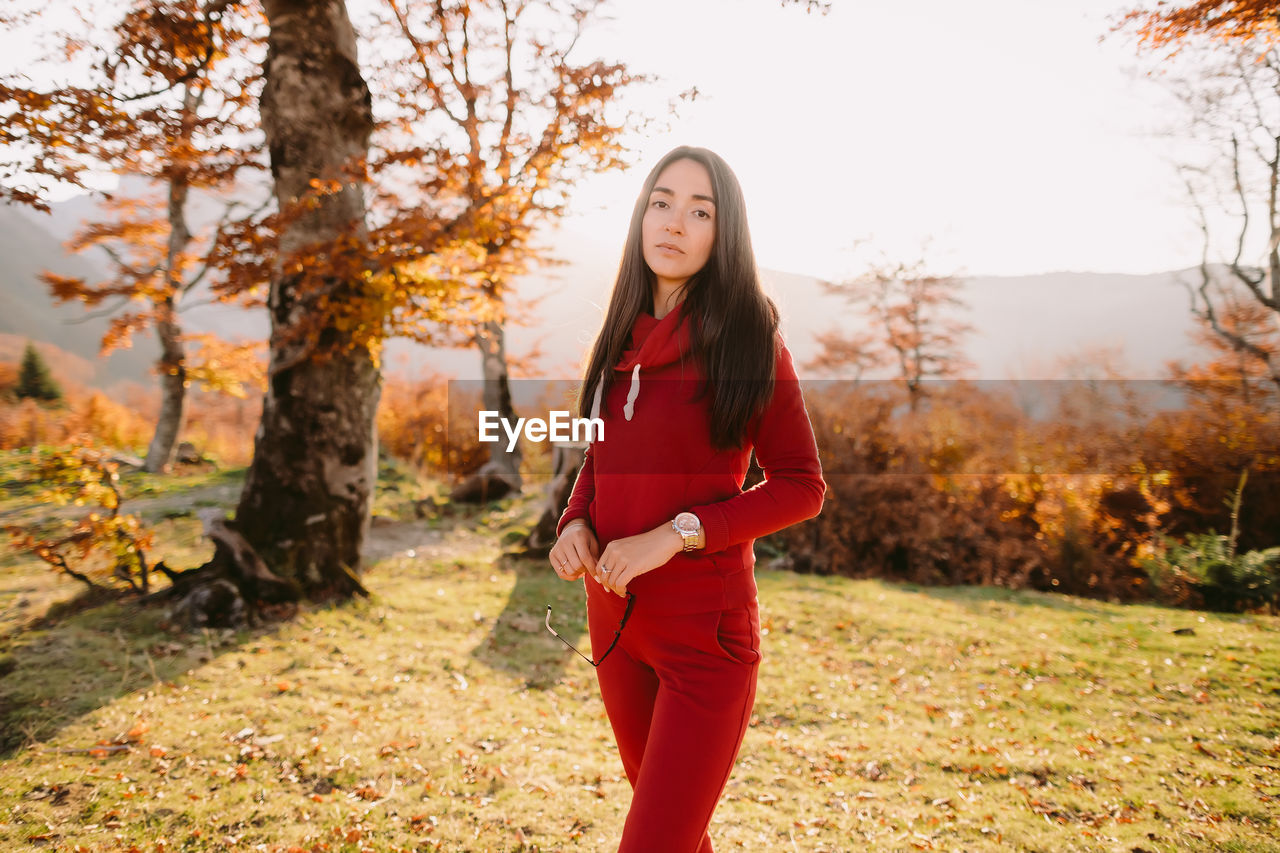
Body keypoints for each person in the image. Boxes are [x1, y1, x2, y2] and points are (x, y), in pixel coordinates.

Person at [547, 145, 826, 853]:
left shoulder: (749, 342)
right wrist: (575, 519)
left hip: (705, 640)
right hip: (615, 626)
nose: (675, 222)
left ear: (722, 232)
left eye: (699, 210)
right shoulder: (619, 335)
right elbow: (603, 454)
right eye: (662, 201)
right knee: (676, 837)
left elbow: (801, 485)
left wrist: (679, 531)